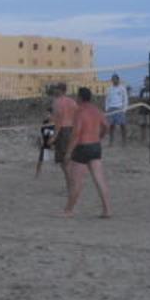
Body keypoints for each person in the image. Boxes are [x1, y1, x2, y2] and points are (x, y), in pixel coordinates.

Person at [64, 87, 112, 218]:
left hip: (83, 147)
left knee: (77, 182)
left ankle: (68, 210)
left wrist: (68, 152)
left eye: (76, 96)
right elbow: (106, 126)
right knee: (99, 179)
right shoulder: (96, 110)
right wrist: (100, 136)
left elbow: (76, 134)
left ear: (80, 98)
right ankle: (107, 210)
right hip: (95, 146)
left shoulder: (79, 112)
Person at [51, 83, 77, 191]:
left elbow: (59, 121)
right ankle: (71, 186)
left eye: (56, 88)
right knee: (68, 161)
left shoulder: (57, 102)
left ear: (61, 90)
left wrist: (54, 137)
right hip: (71, 130)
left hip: (63, 131)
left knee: (64, 163)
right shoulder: (72, 102)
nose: (54, 90)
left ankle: (71, 187)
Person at [105, 74, 129, 146]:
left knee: (123, 125)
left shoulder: (122, 88)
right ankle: (111, 142)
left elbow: (125, 99)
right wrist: (107, 108)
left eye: (115, 79)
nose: (114, 80)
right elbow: (107, 99)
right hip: (111, 109)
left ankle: (124, 142)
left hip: (120, 108)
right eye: (113, 79)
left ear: (118, 80)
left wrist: (124, 109)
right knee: (111, 126)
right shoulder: (109, 89)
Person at [137, 76, 150, 144]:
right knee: (142, 125)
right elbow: (140, 99)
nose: (146, 82)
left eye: (147, 81)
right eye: (145, 81)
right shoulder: (142, 90)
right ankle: (143, 139)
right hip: (142, 110)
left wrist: (147, 102)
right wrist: (144, 101)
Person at [35, 113, 55, 178]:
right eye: (47, 114)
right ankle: (37, 174)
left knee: (61, 161)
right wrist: (40, 141)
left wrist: (53, 143)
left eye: (49, 114)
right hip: (45, 144)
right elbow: (40, 133)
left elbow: (58, 135)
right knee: (40, 159)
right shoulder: (45, 122)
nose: (47, 115)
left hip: (54, 144)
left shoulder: (56, 123)